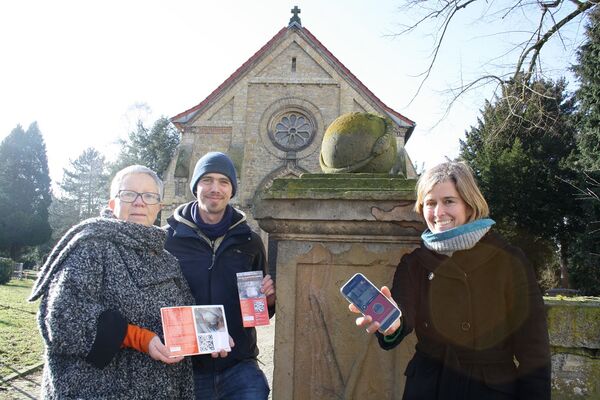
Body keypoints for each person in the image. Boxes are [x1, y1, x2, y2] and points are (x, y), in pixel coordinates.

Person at [351, 161, 551, 400]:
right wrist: (391, 324)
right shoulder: (415, 263)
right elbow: (404, 315)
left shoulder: (508, 260)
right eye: (430, 203)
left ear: (469, 204)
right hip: (428, 387)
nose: (438, 213)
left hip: (488, 390)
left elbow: (534, 349)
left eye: (449, 201)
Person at [29, 165, 202, 399]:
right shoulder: (90, 246)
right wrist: (139, 338)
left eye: (149, 196)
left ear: (159, 207)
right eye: (129, 194)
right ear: (112, 203)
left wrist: (211, 335)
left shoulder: (167, 261)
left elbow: (184, 314)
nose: (140, 202)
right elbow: (63, 318)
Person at [165, 151, 276, 400]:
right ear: (195, 187)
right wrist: (208, 334)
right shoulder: (167, 241)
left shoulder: (250, 241)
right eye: (207, 180)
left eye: (224, 182)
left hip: (240, 366)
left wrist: (268, 301)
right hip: (186, 368)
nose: (215, 188)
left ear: (232, 190)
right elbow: (157, 304)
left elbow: (258, 312)